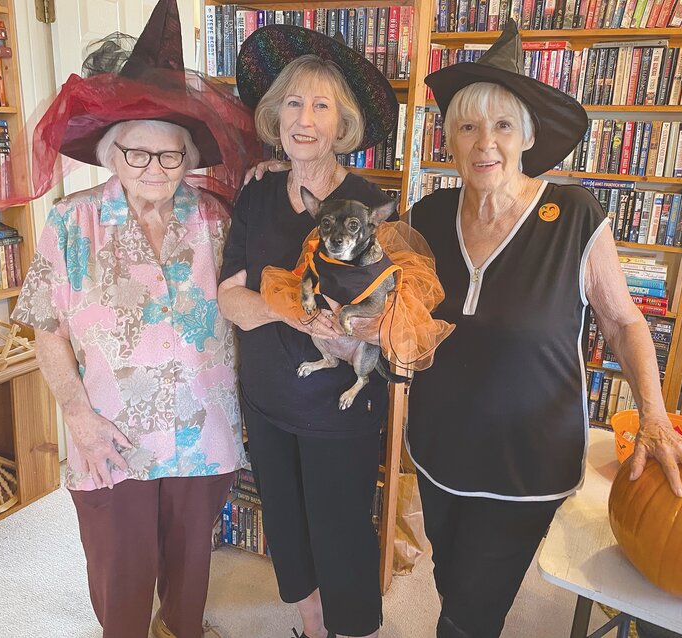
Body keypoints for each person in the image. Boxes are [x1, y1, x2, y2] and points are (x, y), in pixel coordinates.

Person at [405, 19, 682, 638]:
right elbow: (390, 299)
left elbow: (621, 320)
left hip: (527, 458)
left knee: (473, 609)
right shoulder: (426, 215)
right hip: (437, 445)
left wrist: (656, 419)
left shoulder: (575, 214)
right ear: (449, 138)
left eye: (502, 125)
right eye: (468, 126)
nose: (485, 143)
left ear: (527, 135)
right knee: (450, 574)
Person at [9, 2, 256, 637]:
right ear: (111, 154)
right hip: (109, 428)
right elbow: (46, 327)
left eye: (169, 157)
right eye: (137, 155)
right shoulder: (72, 221)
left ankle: (183, 627)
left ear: (189, 157)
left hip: (204, 426)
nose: (154, 170)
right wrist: (79, 420)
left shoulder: (220, 220)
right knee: (120, 563)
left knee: (191, 556)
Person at [218, 25, 402, 638]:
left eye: (321, 106)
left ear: (341, 124)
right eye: (293, 103)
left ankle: (353, 630)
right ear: (275, 116)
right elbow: (231, 299)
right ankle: (311, 624)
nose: (304, 118)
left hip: (341, 407)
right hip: (269, 399)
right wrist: (292, 312)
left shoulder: (374, 203)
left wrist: (364, 325)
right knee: (289, 527)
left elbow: (393, 309)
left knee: (343, 527)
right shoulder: (257, 193)